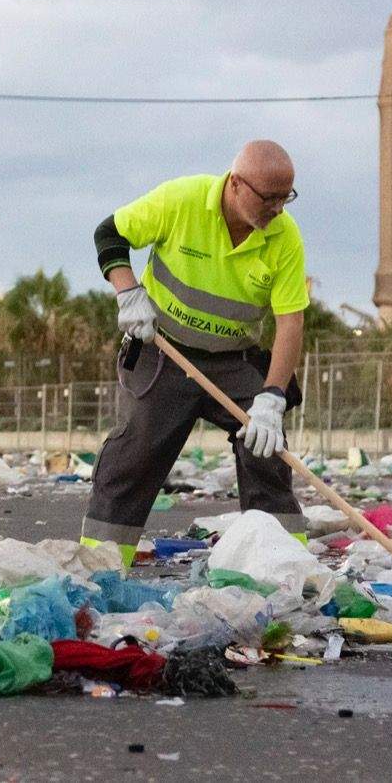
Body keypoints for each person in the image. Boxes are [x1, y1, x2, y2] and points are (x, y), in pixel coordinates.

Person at [81, 140, 308, 565]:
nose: (279, 209)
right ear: (236, 184)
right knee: (135, 453)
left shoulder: (284, 236)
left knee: (266, 448)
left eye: (286, 198)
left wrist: (273, 396)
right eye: (270, 198)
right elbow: (109, 234)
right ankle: (102, 566)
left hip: (233, 361)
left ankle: (284, 567)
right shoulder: (181, 201)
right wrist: (128, 293)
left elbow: (289, 322)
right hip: (164, 353)